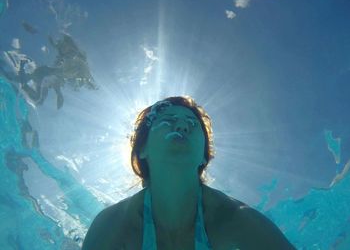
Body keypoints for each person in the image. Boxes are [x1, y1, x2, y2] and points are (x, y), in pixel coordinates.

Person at [82, 96, 296, 250]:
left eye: (193, 124)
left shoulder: (236, 218)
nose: (183, 126)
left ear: (203, 157)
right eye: (168, 120)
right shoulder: (113, 224)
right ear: (143, 149)